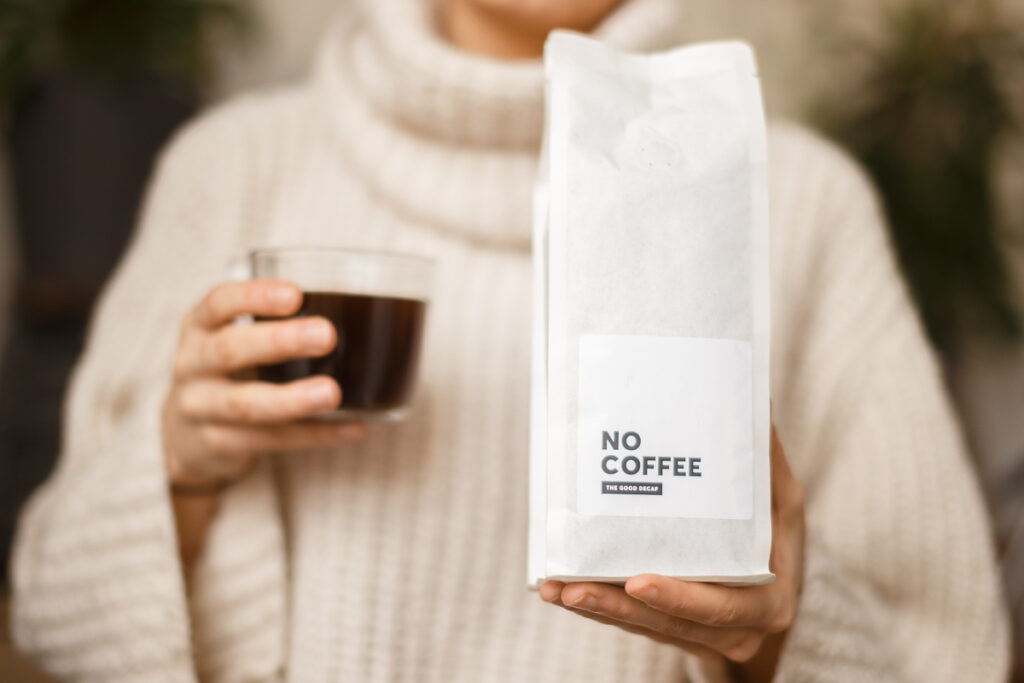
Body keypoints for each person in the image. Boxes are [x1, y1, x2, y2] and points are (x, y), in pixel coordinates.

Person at [9, 0, 1011, 680]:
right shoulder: (234, 164)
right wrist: (180, 472)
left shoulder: (795, 201)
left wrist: (780, 630)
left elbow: (947, 647)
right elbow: (49, 606)